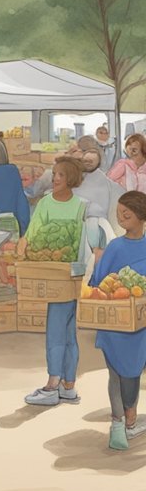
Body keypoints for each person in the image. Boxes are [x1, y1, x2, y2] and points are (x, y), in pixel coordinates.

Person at [18, 157, 103, 407]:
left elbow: (93, 241)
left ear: (72, 180)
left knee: (56, 331)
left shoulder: (82, 207)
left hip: (69, 275)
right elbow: (31, 235)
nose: (55, 179)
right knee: (67, 333)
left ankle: (52, 385)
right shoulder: (45, 203)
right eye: (54, 174)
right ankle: (68, 386)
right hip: (53, 271)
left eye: (61, 175)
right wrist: (23, 247)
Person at [92, 192, 146, 449]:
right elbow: (97, 283)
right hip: (114, 322)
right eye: (119, 214)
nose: (121, 218)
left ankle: (131, 421)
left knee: (132, 372)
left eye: (127, 214)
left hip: (139, 326)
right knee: (115, 373)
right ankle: (117, 424)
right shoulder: (115, 247)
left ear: (142, 217)